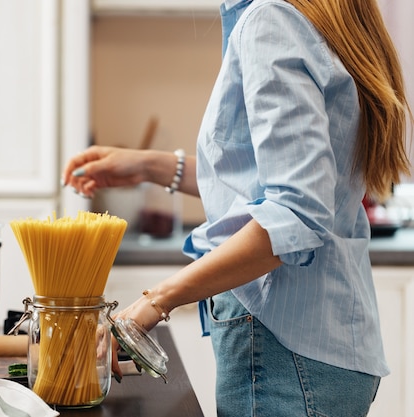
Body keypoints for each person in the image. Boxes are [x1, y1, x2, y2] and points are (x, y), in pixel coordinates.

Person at [62, 0, 412, 415]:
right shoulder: (314, 18)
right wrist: (151, 166)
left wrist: (152, 304)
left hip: (285, 353)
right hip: (324, 347)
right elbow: (267, 181)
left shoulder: (271, 21)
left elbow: (294, 214)